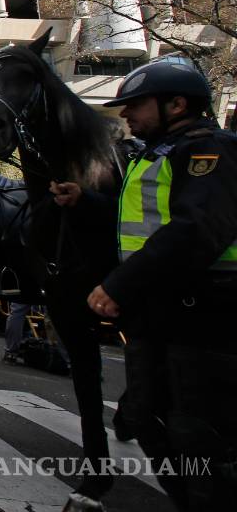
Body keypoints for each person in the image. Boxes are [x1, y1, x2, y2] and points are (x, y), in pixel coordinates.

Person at [52, 61, 237, 510]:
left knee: (199, 435)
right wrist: (87, 201)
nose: (126, 114)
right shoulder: (154, 152)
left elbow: (197, 229)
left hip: (204, 316)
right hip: (157, 313)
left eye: (136, 105)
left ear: (177, 104)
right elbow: (133, 220)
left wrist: (120, 285)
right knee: (147, 420)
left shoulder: (208, 150)